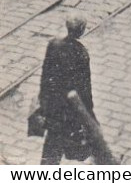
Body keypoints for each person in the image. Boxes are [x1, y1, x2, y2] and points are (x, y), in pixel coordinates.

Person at [38, 15, 95, 165]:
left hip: (53, 106)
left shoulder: (53, 44)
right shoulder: (81, 53)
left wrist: (43, 101)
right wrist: (89, 112)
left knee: (52, 144)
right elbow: (84, 88)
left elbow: (45, 76)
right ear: (81, 31)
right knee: (72, 140)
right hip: (70, 110)